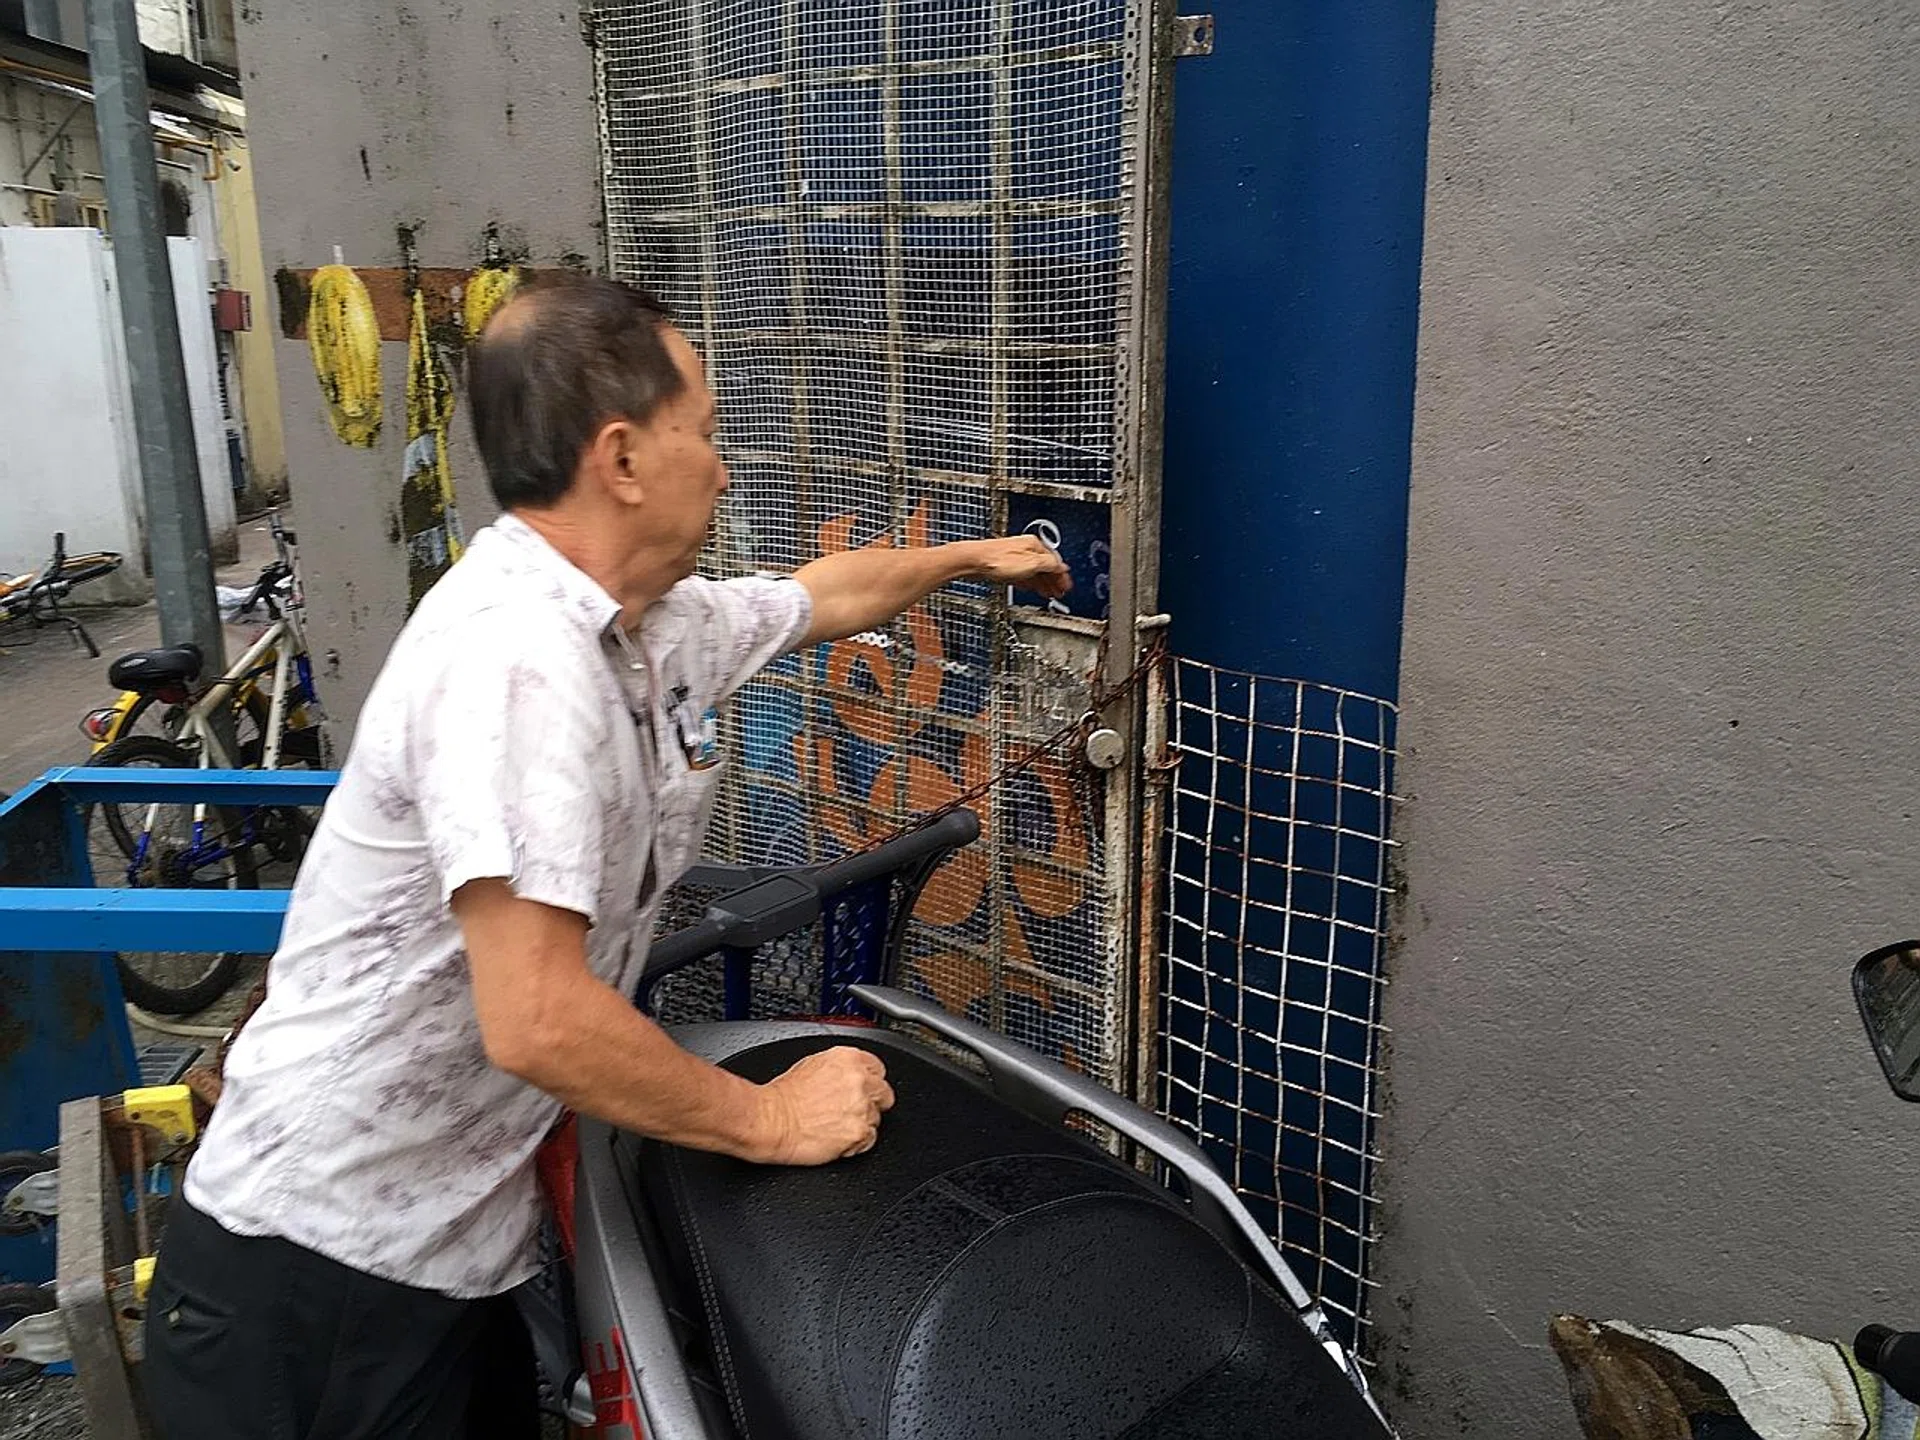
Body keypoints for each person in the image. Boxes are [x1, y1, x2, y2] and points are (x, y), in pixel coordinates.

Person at [141, 272, 1071, 1438]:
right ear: (623, 459)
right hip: (317, 1280)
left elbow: (822, 597)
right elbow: (536, 1018)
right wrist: (768, 1121)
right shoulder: (517, 662)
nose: (725, 467)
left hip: (445, 1259)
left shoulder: (651, 625)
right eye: (709, 433)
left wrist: (979, 558)